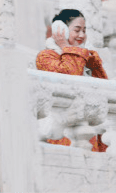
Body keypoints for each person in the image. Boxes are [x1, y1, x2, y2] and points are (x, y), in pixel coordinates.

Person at [36, 9, 108, 152]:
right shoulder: (46, 57)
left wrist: (92, 62)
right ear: (61, 30)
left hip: (89, 131)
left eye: (84, 30)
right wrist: (65, 47)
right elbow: (70, 76)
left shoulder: (88, 58)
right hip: (62, 133)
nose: (82, 35)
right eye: (77, 30)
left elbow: (105, 88)